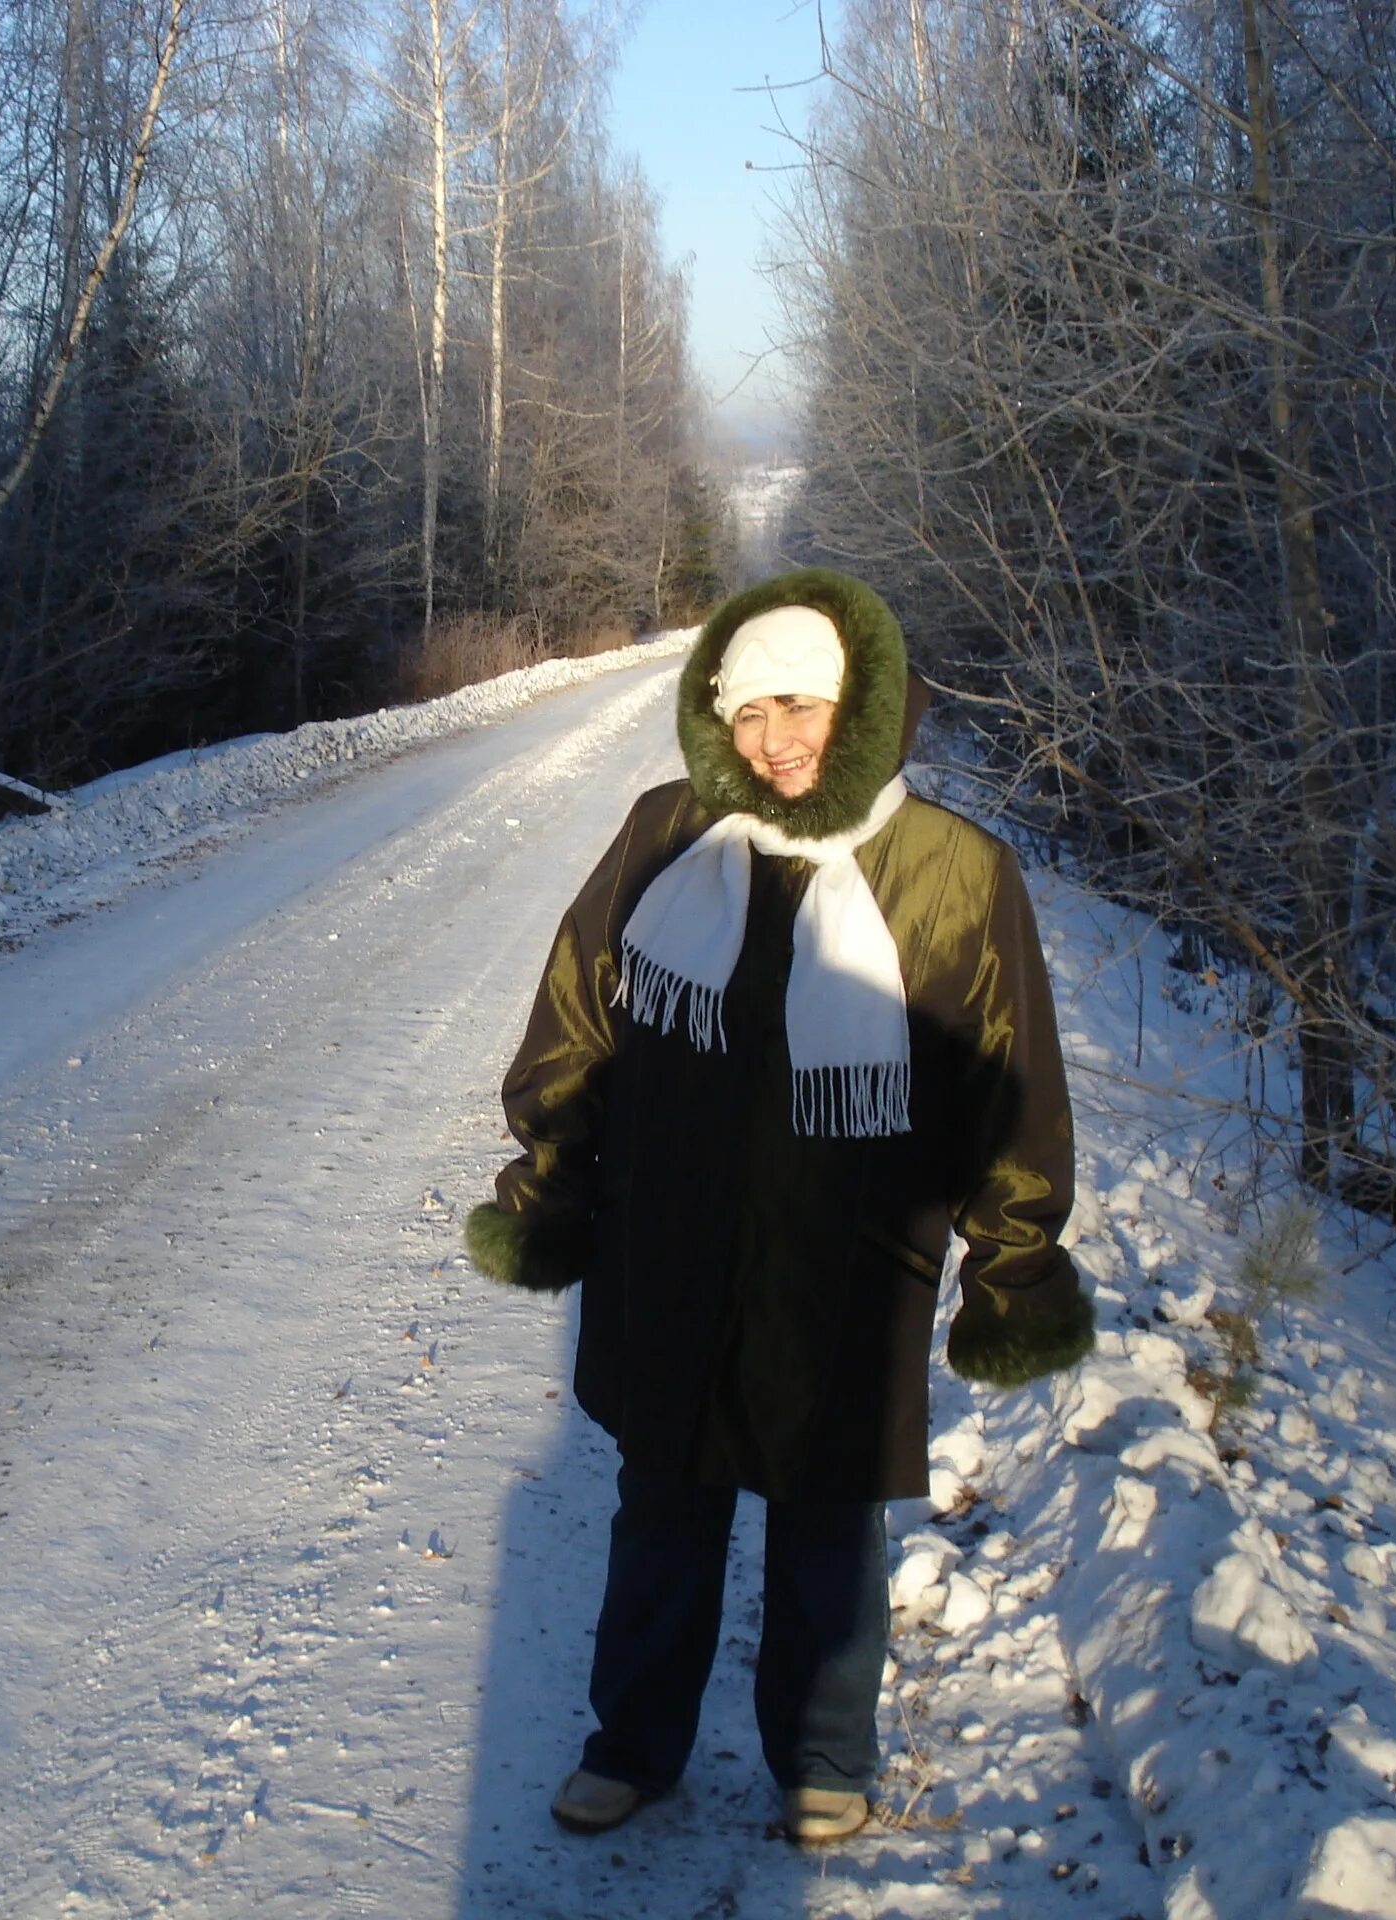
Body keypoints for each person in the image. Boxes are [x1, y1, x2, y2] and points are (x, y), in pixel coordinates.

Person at [463, 567, 1094, 1844]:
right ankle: (631, 1744)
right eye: (749, 715)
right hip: (672, 1240)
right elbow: (578, 1022)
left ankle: (823, 1755)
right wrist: (548, 1183)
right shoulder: (665, 835)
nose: (775, 742)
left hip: (849, 1259)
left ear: (857, 705)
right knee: (663, 1506)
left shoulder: (958, 872)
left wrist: (1013, 1264)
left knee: (826, 1523)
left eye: (799, 706)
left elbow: (1010, 1091)